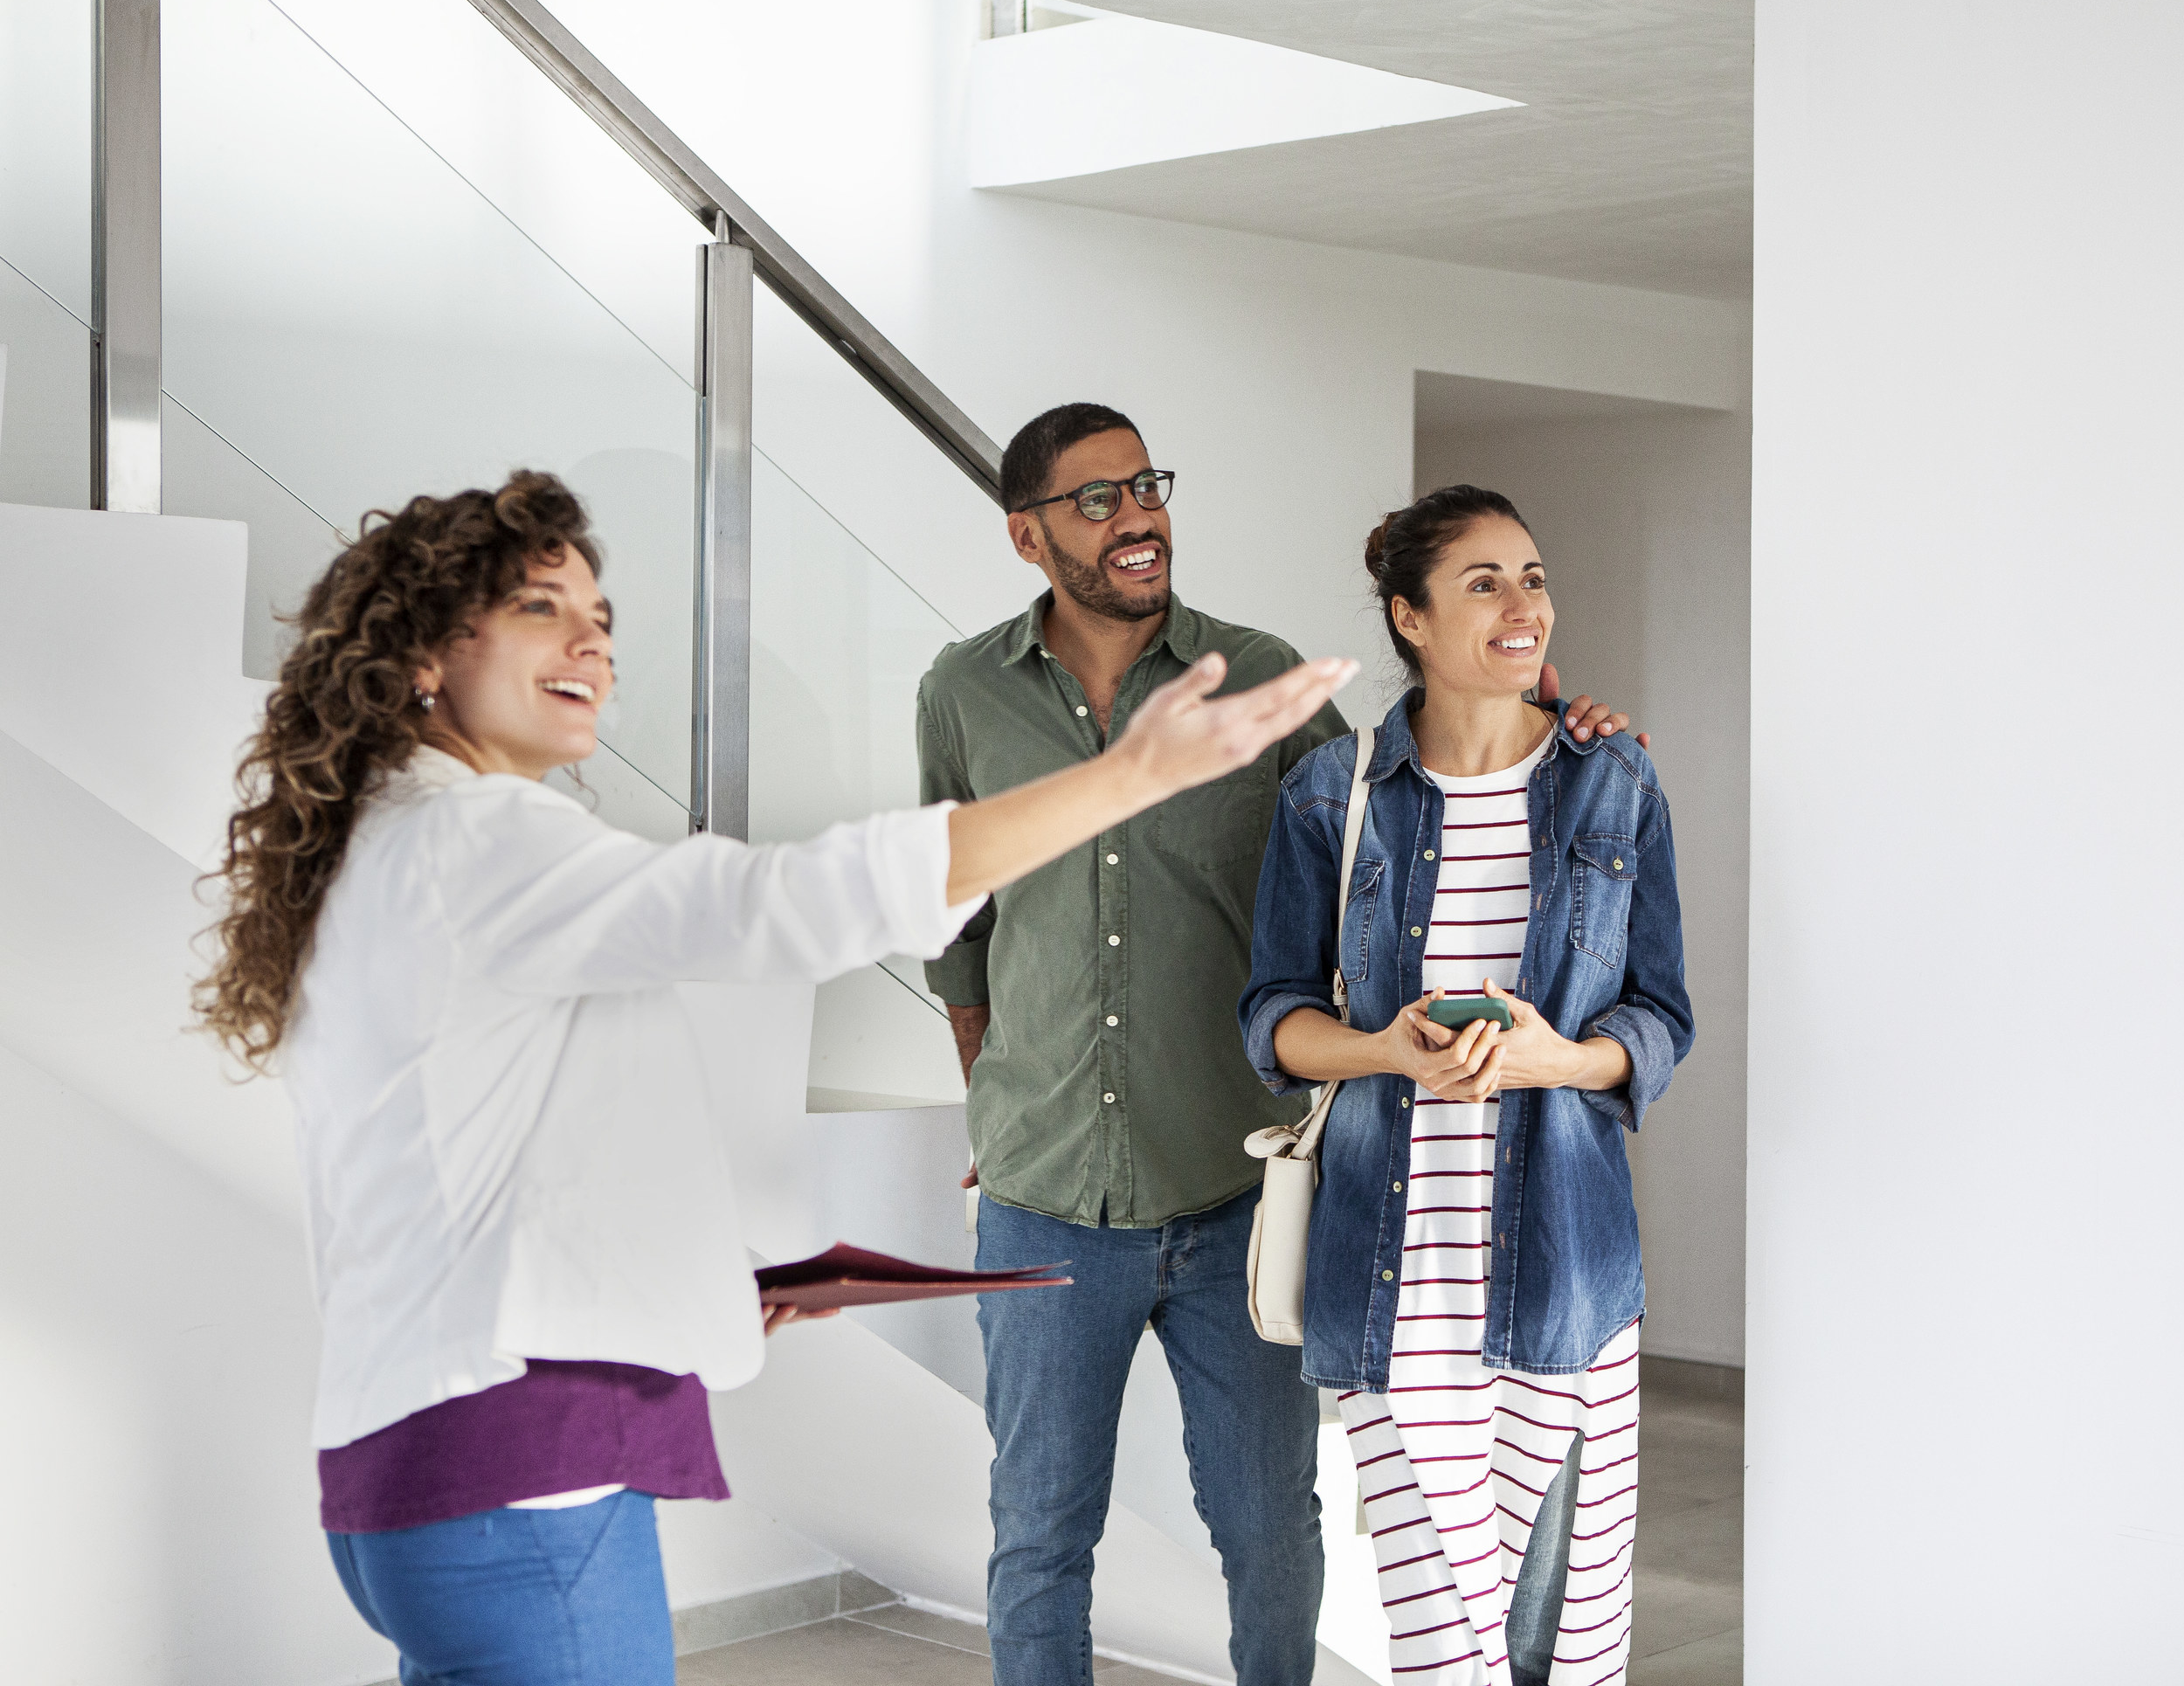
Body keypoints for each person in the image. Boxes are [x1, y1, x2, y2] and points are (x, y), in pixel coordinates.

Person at [191, 470, 1352, 1686]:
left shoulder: (388, 845)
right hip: (519, 1475)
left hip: (410, 1471)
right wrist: (1130, 778)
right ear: (427, 651)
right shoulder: (479, 841)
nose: (592, 641)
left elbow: (484, 1171)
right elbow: (780, 906)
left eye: (602, 616)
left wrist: (699, 1287)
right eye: (542, 607)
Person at [916, 406, 1638, 1686]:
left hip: (1236, 1193)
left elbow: (1408, 787)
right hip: (1041, 1199)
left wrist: (1546, 717)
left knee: (1269, 1533)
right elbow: (954, 923)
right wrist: (991, 1098)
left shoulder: (1263, 685)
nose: (1137, 515)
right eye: (1096, 499)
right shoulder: (961, 692)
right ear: (1027, 535)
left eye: (1148, 485)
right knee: (1038, 1533)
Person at [1239, 484, 1693, 1685]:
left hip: (1565, 1267)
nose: (1521, 604)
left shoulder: (1616, 785)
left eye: (1533, 577)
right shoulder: (1330, 797)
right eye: (1482, 582)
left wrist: (1557, 1060)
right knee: (1443, 1640)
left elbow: (1660, 1019)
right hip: (1394, 1274)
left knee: (1559, 1636)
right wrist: (1386, 1047)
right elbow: (1274, 1018)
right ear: (1411, 618)